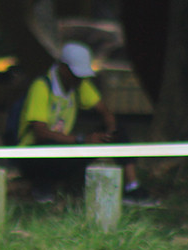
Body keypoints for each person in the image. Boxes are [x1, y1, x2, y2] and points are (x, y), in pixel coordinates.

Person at [11, 41, 155, 205]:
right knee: (49, 143)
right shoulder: (42, 86)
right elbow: (40, 133)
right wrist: (82, 140)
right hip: (33, 156)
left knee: (119, 132)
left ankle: (132, 187)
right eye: (76, 74)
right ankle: (42, 186)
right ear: (62, 68)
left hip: (65, 150)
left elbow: (105, 111)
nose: (80, 79)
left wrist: (110, 131)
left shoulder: (79, 84)